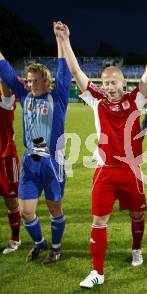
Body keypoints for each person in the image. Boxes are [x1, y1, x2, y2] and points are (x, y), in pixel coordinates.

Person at [56, 21, 147, 288]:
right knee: (99, 220)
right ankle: (97, 271)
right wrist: (65, 40)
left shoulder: (136, 98)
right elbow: (76, 72)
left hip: (131, 171)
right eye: (105, 82)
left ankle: (137, 249)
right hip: (105, 171)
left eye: (113, 82)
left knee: (137, 215)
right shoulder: (97, 100)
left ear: (123, 81)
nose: (109, 86)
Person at [0, 22, 71, 264]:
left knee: (54, 209)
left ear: (48, 82)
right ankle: (41, 243)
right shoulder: (24, 96)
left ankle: (57, 247)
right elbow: (6, 70)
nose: (33, 84)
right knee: (26, 211)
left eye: (38, 80)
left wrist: (61, 40)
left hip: (53, 163)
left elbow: (64, 69)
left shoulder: (58, 97)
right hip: (31, 162)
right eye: (30, 81)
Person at [0, 81, 21, 254]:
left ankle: (15, 238)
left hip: (5, 157)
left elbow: (7, 95)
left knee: (10, 199)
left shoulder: (5, 99)